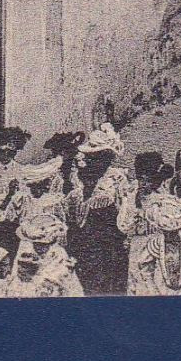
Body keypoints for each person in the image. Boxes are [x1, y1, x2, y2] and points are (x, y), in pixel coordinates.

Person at [66, 124, 132, 296]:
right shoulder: (81, 176)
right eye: (90, 157)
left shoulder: (116, 178)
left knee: (107, 283)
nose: (90, 161)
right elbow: (74, 214)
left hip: (108, 243)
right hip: (84, 243)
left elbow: (125, 208)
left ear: (106, 158)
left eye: (96, 157)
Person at [127, 192, 181, 296]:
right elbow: (146, 271)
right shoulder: (155, 244)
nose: (169, 235)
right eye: (165, 232)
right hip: (161, 290)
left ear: (180, 229)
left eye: (173, 232)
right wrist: (153, 291)